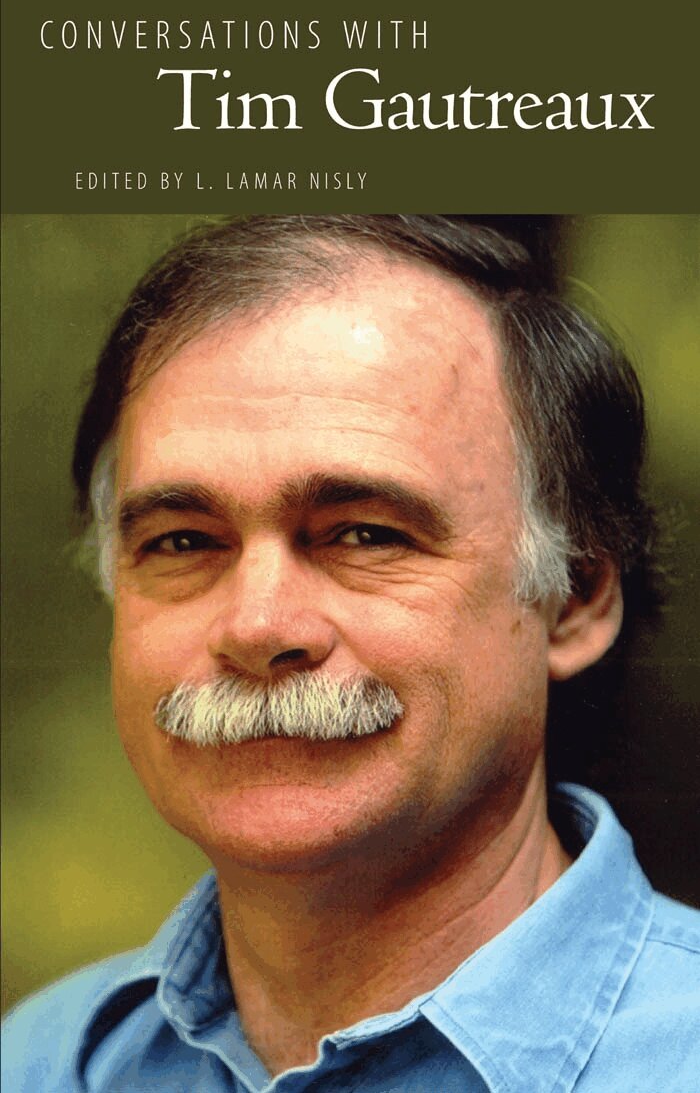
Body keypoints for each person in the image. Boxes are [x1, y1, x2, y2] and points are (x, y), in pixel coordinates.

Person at [3, 215, 698, 1091]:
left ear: (574, 598)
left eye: (363, 533)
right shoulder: (39, 1062)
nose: (257, 625)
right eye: (184, 542)